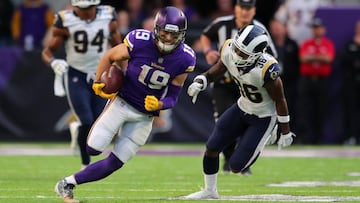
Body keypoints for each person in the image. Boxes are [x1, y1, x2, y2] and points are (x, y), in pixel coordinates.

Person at [53, 6, 196, 203]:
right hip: (122, 102)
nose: (169, 39)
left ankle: (67, 183)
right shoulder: (139, 41)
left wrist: (160, 104)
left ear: (182, 35)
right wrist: (97, 82)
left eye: (174, 35)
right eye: (165, 33)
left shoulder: (185, 58)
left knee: (116, 162)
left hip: (145, 116)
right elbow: (109, 56)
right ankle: (82, 130)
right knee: (93, 149)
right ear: (156, 29)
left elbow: (174, 95)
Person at [185, 24, 295, 200]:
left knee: (236, 166)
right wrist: (202, 79)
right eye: (236, 49)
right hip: (242, 107)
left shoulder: (267, 70)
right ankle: (210, 191)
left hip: (263, 117)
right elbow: (219, 68)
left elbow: (280, 100)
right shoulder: (229, 47)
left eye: (242, 53)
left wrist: (285, 130)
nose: (236, 54)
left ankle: (267, 135)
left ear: (255, 55)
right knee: (211, 148)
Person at [200, 0, 278, 175]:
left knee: (248, 121)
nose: (244, 12)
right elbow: (205, 35)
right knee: (223, 121)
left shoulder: (260, 30)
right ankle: (229, 159)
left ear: (254, 11)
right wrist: (207, 51)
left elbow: (272, 57)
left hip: (248, 85)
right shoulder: (222, 25)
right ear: (235, 8)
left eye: (248, 8)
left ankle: (243, 158)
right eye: (242, 7)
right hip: (224, 82)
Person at [42, 0, 121, 169]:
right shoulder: (65, 19)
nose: (86, 12)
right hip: (76, 74)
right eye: (82, 8)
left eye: (89, 8)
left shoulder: (108, 16)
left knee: (97, 121)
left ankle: (77, 131)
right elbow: (47, 51)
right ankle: (85, 164)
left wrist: (121, 68)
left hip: (101, 74)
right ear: (75, 6)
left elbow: (118, 47)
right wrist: (53, 62)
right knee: (85, 120)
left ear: (96, 6)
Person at [296, 17, 335, 144]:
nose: (316, 30)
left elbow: (329, 59)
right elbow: (303, 58)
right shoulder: (306, 43)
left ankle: (319, 138)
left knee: (321, 109)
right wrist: (320, 57)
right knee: (305, 109)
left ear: (323, 29)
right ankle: (305, 137)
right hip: (307, 80)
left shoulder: (327, 43)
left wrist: (312, 57)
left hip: (322, 80)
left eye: (318, 28)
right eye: (314, 28)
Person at [269, 18, 299, 135]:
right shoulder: (268, 45)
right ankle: (273, 135)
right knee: (273, 109)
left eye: (278, 27)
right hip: (273, 83)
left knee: (291, 107)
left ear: (285, 28)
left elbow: (297, 64)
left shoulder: (292, 44)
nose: (276, 30)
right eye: (274, 28)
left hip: (289, 82)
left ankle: (290, 133)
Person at [340, 20, 360, 144]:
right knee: (351, 110)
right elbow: (344, 60)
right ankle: (352, 136)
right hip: (352, 82)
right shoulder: (350, 44)